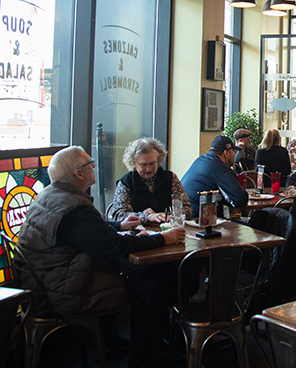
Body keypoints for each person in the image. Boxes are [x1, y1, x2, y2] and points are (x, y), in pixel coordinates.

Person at [16, 146, 186, 367]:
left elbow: (91, 233)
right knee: (147, 289)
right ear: (78, 173)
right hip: (66, 290)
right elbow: (113, 245)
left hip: (48, 278)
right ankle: (148, 358)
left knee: (142, 271)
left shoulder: (53, 195)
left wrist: (118, 225)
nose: (94, 168)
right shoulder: (75, 208)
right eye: (91, 164)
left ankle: (113, 339)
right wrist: (164, 239)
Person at [108, 137, 192, 223]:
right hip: (137, 232)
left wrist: (164, 215)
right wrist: (146, 216)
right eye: (143, 165)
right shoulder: (126, 183)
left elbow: (187, 209)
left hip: (167, 228)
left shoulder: (170, 178)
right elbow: (118, 215)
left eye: (152, 163)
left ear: (158, 161)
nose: (148, 169)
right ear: (134, 164)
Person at [181, 135, 248, 216]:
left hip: (184, 215)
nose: (234, 155)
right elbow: (241, 200)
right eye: (233, 152)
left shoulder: (200, 160)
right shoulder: (221, 169)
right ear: (226, 153)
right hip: (200, 220)